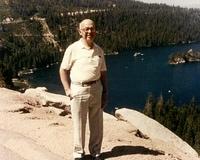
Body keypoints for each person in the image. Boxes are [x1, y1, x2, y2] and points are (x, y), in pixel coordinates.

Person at [59, 19, 108, 160]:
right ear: (80, 31)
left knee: (97, 124)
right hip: (78, 89)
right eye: (86, 29)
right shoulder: (72, 49)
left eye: (92, 29)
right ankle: (78, 153)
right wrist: (68, 90)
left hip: (96, 88)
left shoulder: (99, 50)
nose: (89, 32)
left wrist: (105, 92)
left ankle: (95, 152)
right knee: (79, 123)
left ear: (95, 30)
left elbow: (103, 72)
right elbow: (63, 70)